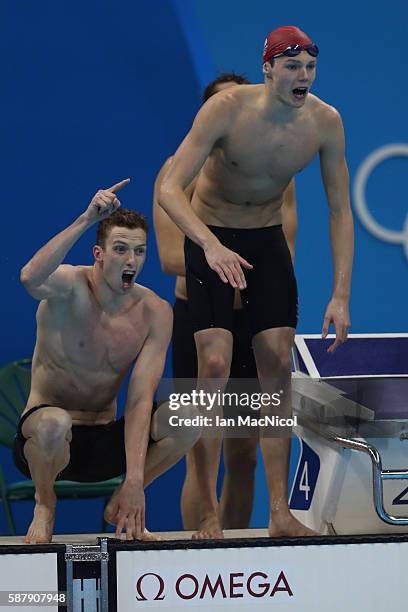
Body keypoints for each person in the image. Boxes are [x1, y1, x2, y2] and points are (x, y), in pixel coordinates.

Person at [159, 25, 353, 539]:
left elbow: (340, 211)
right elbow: (168, 188)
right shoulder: (226, 109)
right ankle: (206, 514)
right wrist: (208, 244)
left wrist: (340, 294)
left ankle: (279, 514)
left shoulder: (325, 122)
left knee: (276, 370)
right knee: (215, 364)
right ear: (268, 68)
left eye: (310, 67)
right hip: (212, 238)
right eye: (292, 67)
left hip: (264, 245)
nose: (303, 77)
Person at [16, 179, 200, 544]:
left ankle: (121, 501)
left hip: (103, 440)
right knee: (55, 422)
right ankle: (45, 501)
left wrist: (134, 479)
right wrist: (86, 218)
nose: (131, 261)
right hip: (46, 444)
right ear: (98, 255)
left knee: (192, 416)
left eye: (139, 251)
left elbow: (139, 399)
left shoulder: (154, 312)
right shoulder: (68, 287)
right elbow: (29, 277)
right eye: (120, 249)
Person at [153, 72, 297, 533]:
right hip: (198, 320)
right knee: (200, 453)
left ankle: (235, 547)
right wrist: (225, 258)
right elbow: (172, 256)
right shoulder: (178, 171)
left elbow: (282, 253)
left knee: (244, 453)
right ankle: (203, 537)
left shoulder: (272, 176)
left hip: (248, 324)